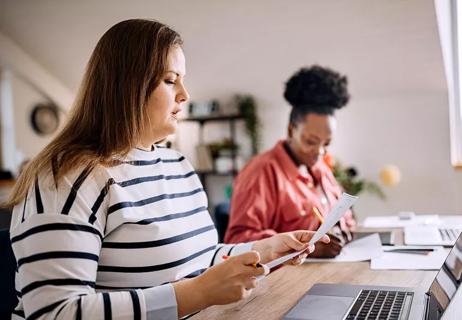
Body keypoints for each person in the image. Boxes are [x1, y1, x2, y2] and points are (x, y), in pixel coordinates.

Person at [6, 20, 329, 320]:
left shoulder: (177, 165)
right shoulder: (65, 177)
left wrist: (263, 249)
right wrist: (197, 294)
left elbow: (198, 259)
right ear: (126, 87)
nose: (184, 95)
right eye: (170, 80)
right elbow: (54, 312)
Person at [225, 65, 356, 258]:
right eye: (311, 141)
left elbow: (346, 218)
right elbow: (237, 241)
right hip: (284, 281)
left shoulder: (320, 167)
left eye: (326, 143)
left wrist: (340, 231)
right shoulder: (261, 172)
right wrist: (306, 248)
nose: (319, 151)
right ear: (290, 130)